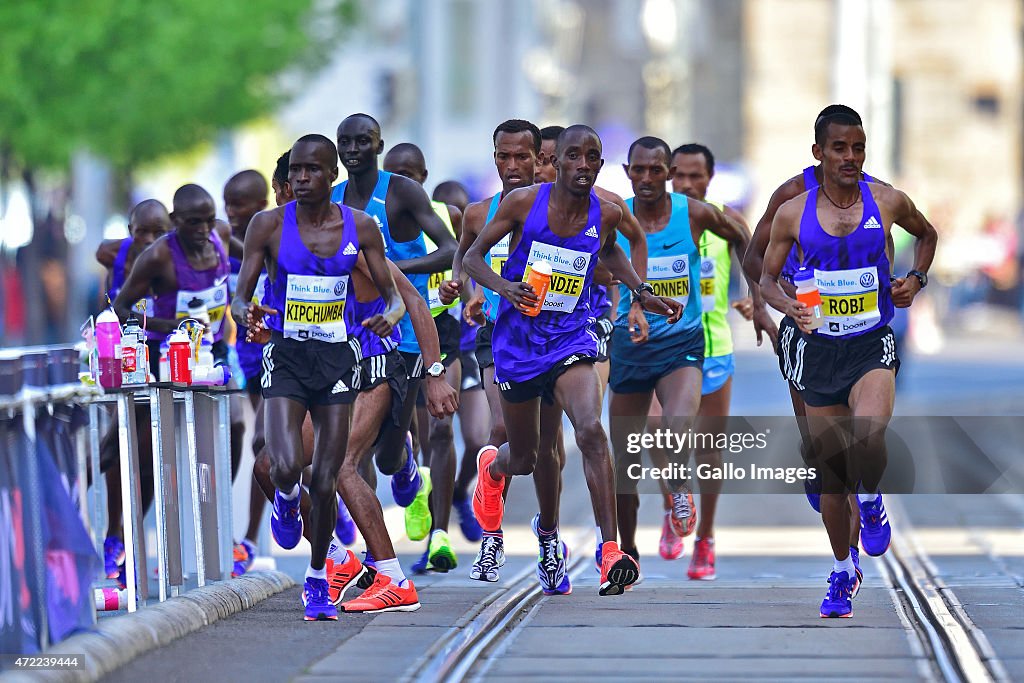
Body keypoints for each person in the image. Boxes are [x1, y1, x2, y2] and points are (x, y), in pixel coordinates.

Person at [464, 125, 681, 596]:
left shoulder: (606, 211)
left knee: (590, 429)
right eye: (574, 157)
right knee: (524, 457)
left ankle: (609, 552)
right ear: (555, 162)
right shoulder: (523, 205)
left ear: (600, 165)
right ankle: (493, 472)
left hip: (570, 337)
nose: (583, 165)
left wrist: (644, 295)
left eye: (592, 157)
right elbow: (472, 259)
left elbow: (610, 252)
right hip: (519, 344)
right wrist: (503, 288)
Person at [759, 109, 937, 618]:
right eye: (840, 148)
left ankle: (874, 494)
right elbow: (768, 278)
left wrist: (916, 280)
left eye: (858, 148)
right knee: (832, 478)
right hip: (819, 351)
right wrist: (787, 305)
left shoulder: (887, 200)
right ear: (819, 153)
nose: (851, 158)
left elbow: (927, 236)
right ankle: (843, 569)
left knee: (871, 435)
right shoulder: (794, 211)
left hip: (870, 342)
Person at [232, 134, 408, 621]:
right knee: (284, 464)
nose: (302, 178)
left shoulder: (361, 226)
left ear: (333, 176)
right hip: (286, 359)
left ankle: (317, 580)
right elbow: (241, 296)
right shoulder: (266, 226)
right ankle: (286, 500)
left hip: (335, 362)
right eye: (296, 171)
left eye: (313, 170)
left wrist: (391, 317)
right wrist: (247, 313)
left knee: (328, 478)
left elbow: (393, 296)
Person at [610, 137, 751, 583]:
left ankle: (701, 532)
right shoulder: (616, 216)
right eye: (640, 170)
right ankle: (650, 523)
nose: (652, 179)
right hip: (632, 345)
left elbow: (746, 240)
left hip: (696, 342)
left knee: (696, 441)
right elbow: (593, 262)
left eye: (661, 171)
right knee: (635, 446)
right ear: (628, 171)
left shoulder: (704, 217)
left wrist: (758, 297)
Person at [332, 114, 458, 537]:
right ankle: (372, 548)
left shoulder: (402, 192)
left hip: (402, 337)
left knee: (385, 456)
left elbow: (449, 250)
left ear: (378, 145)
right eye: (345, 143)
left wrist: (387, 270)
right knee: (353, 449)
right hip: (351, 337)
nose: (352, 150)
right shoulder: (331, 199)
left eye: (361, 142)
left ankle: (404, 460)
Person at [657, 142, 774, 578]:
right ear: (669, 177)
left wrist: (753, 301)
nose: (687, 184)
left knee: (708, 450)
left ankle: (704, 539)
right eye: (680, 176)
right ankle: (674, 504)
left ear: (709, 179)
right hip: (663, 347)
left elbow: (754, 266)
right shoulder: (656, 217)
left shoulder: (727, 220)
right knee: (657, 434)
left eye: (696, 177)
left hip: (715, 347)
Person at [439, 119, 542, 582]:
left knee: (545, 447)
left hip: (555, 335)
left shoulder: (559, 211)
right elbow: (465, 255)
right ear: (494, 158)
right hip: (497, 336)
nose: (513, 166)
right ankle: (492, 539)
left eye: (523, 157)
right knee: (499, 429)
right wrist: (466, 292)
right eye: (504, 157)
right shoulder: (480, 213)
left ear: (541, 159)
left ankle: (550, 535)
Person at [381, 142, 465, 571]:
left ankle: (440, 534)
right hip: (395, 338)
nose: (403, 182)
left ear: (424, 175)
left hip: (440, 332)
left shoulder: (444, 214)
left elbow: (464, 262)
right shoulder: (371, 217)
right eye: (394, 174)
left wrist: (456, 289)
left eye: (411, 175)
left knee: (443, 430)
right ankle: (413, 484)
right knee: (401, 442)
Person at [94, 200, 171, 585]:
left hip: (164, 359)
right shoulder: (116, 253)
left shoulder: (175, 259)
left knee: (149, 456)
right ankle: (113, 534)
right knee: (121, 448)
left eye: (160, 232)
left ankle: (127, 536)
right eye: (143, 231)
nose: (151, 239)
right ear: (130, 230)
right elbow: (107, 294)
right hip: (121, 356)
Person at [432, 180, 489, 545]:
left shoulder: (478, 247)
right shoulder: (430, 251)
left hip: (472, 352)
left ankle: (459, 490)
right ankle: (435, 533)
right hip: (440, 353)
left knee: (476, 439)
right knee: (436, 437)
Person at [223, 170, 272, 575]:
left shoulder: (269, 236)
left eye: (237, 205)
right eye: (227, 205)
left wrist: (234, 239)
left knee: (265, 443)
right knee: (259, 443)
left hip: (278, 348)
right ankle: (247, 538)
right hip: (245, 354)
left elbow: (258, 256)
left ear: (261, 206)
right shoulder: (222, 247)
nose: (230, 213)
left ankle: (253, 536)